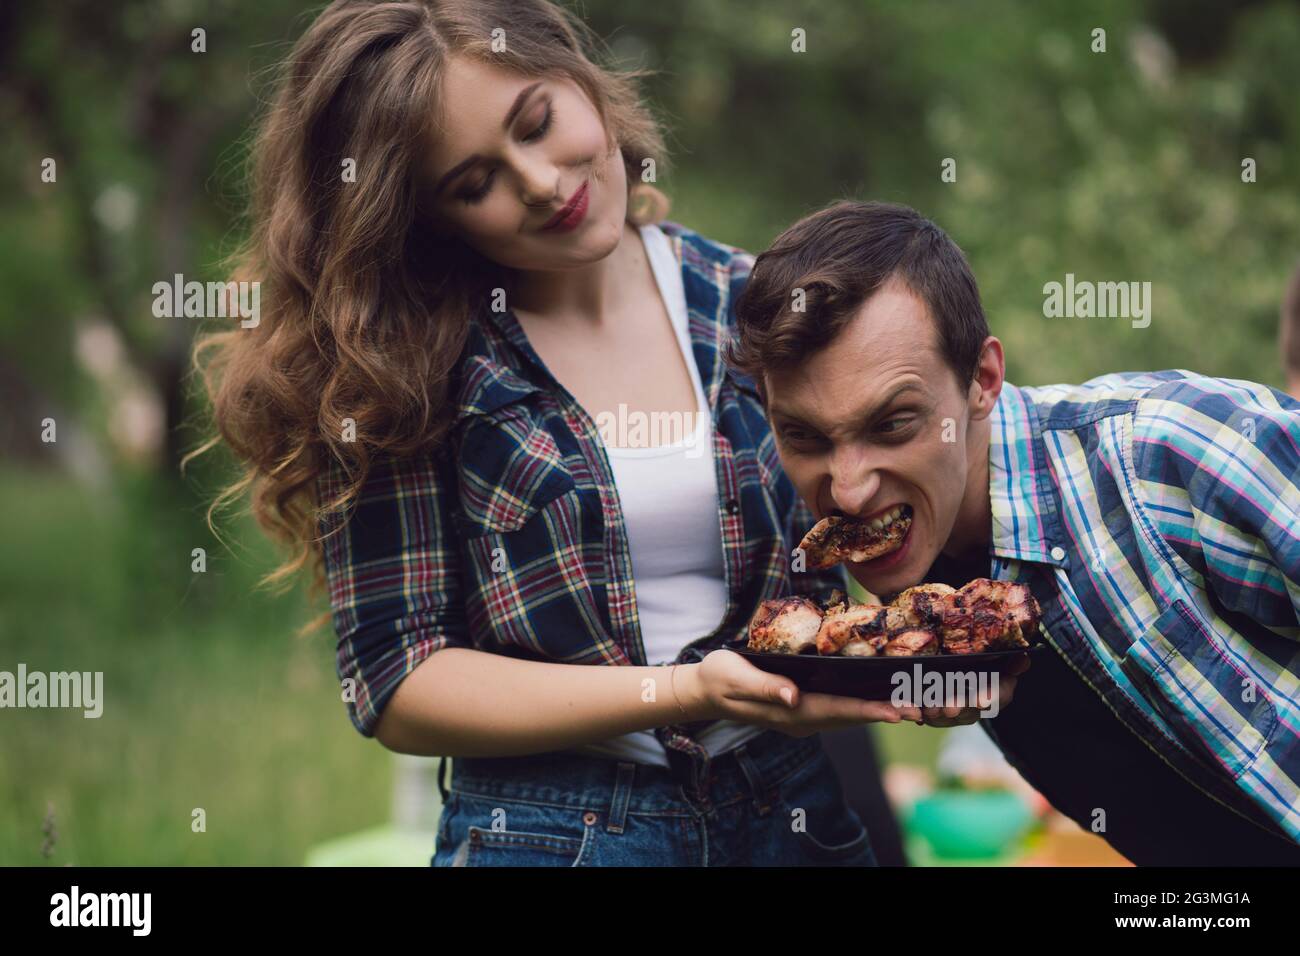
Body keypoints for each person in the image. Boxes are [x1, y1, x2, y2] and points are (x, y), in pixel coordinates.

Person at [189, 0, 1000, 867]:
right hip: (553, 833)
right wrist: (680, 691)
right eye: (475, 183)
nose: (539, 180)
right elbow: (397, 679)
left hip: (791, 811)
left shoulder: (749, 302)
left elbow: (907, 484)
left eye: (537, 122)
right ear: (433, 218)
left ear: (579, 77)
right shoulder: (400, 369)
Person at [729, 199, 1300, 865]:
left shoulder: (1171, 451)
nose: (849, 489)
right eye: (804, 436)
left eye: (893, 424)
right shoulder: (905, 585)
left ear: (982, 379)